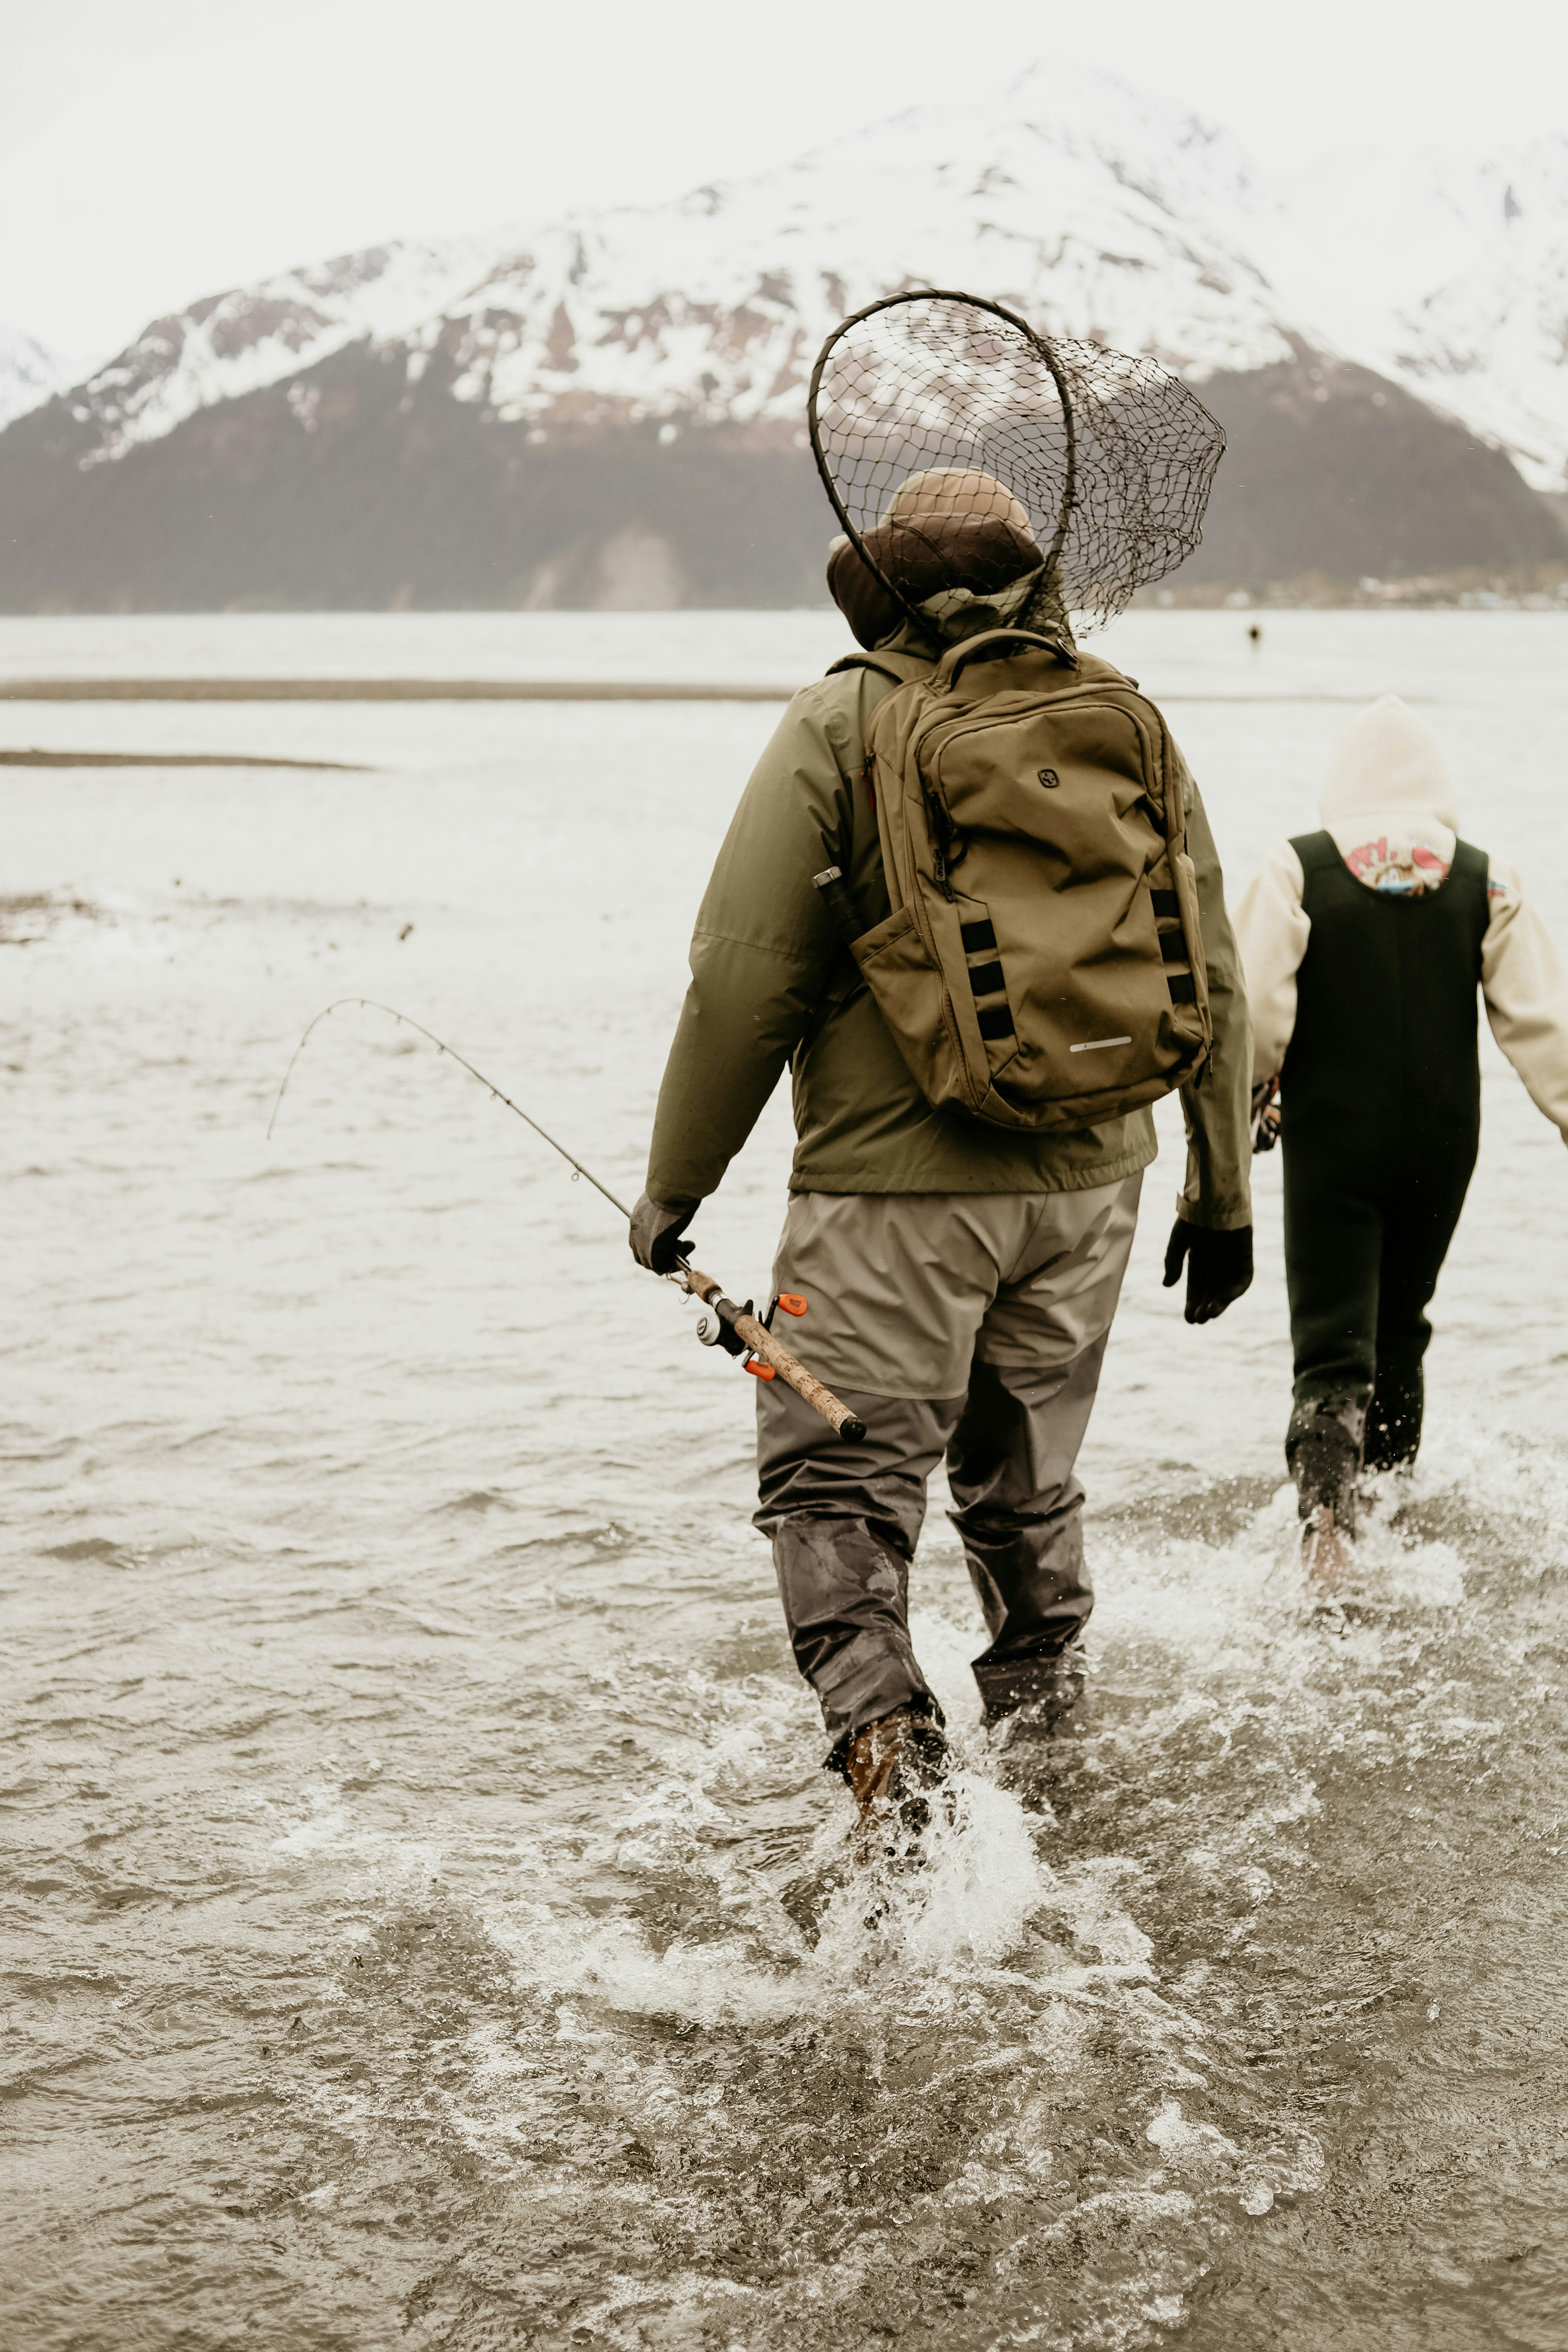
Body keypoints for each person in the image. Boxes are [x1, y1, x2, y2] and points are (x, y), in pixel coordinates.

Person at [630, 469, 1254, 1834]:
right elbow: (1210, 959)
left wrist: (675, 1192)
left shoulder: (843, 719)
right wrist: (1222, 1193)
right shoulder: (1119, 714)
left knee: (835, 1486)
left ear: (884, 581)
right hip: (1099, 1186)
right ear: (1030, 575)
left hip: (890, 1198)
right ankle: (1054, 1770)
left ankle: (893, 1771)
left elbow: (743, 981)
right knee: (1027, 1486)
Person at [1234, 695, 1568, 1580]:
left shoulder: (1296, 868)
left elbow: (1255, 1012)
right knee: (1402, 1326)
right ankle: (1389, 1502)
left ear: (1338, 787)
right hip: (1444, 1140)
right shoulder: (1486, 878)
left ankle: (1325, 1530)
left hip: (1333, 1140)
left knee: (1331, 1337)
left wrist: (1245, 1097)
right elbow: (1542, 1025)